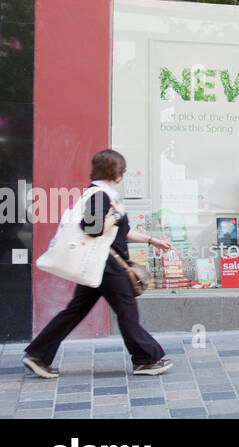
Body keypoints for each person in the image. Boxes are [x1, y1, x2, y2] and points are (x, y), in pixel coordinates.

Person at [24, 149, 174, 379]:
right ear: (118, 174)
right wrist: (117, 216)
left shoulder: (103, 195)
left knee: (75, 310)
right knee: (127, 312)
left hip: (99, 264)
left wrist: (151, 240)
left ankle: (38, 355)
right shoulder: (99, 196)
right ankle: (146, 358)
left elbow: (121, 232)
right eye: (122, 171)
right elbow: (92, 228)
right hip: (107, 265)